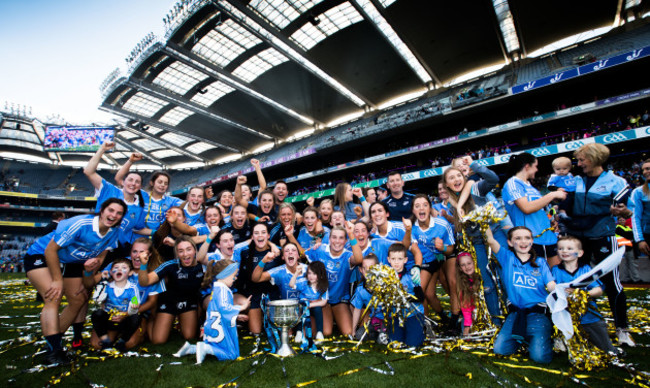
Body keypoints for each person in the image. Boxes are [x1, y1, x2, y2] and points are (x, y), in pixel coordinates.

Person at [24, 198, 127, 364]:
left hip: (71, 262)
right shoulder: (80, 223)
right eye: (111, 210)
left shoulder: (113, 232)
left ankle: (54, 342)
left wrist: (91, 269)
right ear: (102, 210)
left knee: (79, 299)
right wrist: (57, 280)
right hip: (42, 255)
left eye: (119, 213)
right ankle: (53, 352)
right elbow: (51, 250)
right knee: (53, 296)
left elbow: (101, 256)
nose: (113, 215)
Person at [560, 143, 634, 346]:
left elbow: (628, 210)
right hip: (577, 237)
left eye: (582, 159)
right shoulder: (575, 180)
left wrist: (624, 212)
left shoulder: (616, 181)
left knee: (612, 281)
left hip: (603, 235)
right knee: (574, 280)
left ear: (594, 159)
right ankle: (575, 325)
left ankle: (622, 329)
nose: (579, 163)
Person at [486, 227, 556, 364]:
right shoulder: (507, 257)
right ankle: (524, 337)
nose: (523, 242)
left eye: (527, 238)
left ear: (532, 241)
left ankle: (543, 336)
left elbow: (551, 285)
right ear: (510, 242)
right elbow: (490, 239)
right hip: (516, 314)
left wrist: (562, 291)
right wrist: (483, 218)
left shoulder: (541, 262)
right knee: (500, 349)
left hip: (537, 315)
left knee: (539, 358)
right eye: (518, 238)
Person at [173, 259, 251, 363]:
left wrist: (236, 316)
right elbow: (224, 308)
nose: (235, 278)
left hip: (215, 325)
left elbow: (217, 310)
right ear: (225, 274)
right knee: (231, 355)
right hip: (220, 329)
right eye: (234, 275)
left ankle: (190, 348)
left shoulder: (217, 289)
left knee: (217, 347)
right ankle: (204, 348)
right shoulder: (223, 290)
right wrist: (241, 307)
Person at [552, 236, 619, 354]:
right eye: (561, 248)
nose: (565, 251)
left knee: (606, 348)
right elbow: (551, 291)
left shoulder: (587, 270)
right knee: (578, 351)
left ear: (580, 253)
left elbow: (598, 290)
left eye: (569, 248)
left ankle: (611, 350)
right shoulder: (555, 270)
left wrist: (580, 293)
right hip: (567, 315)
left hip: (589, 315)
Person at [83, 142, 150, 256]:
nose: (133, 184)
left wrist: (160, 232)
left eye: (137, 182)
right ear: (123, 182)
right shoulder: (109, 190)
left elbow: (137, 228)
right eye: (130, 180)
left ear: (140, 187)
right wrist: (102, 149)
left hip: (117, 250)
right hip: (94, 244)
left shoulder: (139, 207)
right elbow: (88, 171)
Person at [503, 153, 566, 267]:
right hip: (531, 240)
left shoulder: (529, 186)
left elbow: (538, 210)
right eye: (535, 166)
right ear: (527, 166)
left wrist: (549, 221)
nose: (537, 170)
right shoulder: (513, 183)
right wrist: (552, 195)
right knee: (539, 278)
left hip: (548, 238)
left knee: (556, 276)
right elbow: (526, 208)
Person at [138, 236, 204, 344]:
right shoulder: (170, 265)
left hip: (188, 302)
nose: (185, 254)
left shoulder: (201, 265)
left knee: (189, 336)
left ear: (195, 250)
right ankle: (151, 318)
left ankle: (181, 321)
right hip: (169, 302)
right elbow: (145, 282)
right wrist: (143, 265)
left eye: (188, 249)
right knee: (158, 341)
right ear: (177, 254)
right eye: (181, 251)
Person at [304, 223, 363, 336]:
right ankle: (316, 317)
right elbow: (303, 255)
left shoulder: (347, 255)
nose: (337, 241)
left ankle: (334, 317)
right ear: (329, 239)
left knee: (348, 332)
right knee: (326, 332)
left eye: (341, 238)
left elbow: (359, 259)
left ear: (346, 241)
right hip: (321, 299)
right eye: (334, 237)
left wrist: (351, 234)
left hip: (339, 300)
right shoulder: (320, 249)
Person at [411, 194, 454, 323]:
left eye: (425, 205)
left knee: (418, 292)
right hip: (420, 261)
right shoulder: (411, 227)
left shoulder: (442, 224)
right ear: (413, 210)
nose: (421, 208)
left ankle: (423, 324)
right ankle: (445, 320)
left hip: (435, 259)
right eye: (417, 206)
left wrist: (443, 248)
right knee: (429, 294)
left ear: (430, 208)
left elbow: (451, 249)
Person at [234, 223, 283, 334]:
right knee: (255, 331)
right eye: (256, 233)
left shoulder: (277, 253)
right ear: (252, 236)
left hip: (273, 294)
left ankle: (266, 316)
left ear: (268, 235)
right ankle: (251, 315)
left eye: (263, 232)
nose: (260, 235)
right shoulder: (245, 253)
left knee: (278, 331)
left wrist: (272, 245)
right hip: (253, 295)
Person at [88, 258, 140, 352]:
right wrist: (103, 281)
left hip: (123, 318)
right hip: (109, 318)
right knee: (97, 314)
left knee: (135, 318)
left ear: (130, 273)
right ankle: (105, 340)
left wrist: (127, 313)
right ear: (111, 272)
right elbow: (97, 299)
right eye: (116, 268)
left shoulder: (132, 288)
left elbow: (135, 304)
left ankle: (122, 341)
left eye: (124, 267)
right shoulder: (108, 286)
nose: (119, 270)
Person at [385, 243, 425, 347]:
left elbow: (421, 297)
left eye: (399, 259)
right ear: (388, 259)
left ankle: (422, 328)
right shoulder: (385, 278)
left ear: (405, 260)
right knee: (394, 344)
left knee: (412, 344)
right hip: (395, 315)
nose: (396, 262)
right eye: (393, 259)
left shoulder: (412, 276)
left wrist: (405, 298)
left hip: (413, 314)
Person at [351, 254, 388, 344]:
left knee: (381, 341)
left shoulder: (385, 284)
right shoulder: (360, 290)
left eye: (371, 267)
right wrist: (353, 330)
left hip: (389, 320)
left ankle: (386, 333)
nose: (368, 270)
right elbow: (357, 310)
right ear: (361, 270)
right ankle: (379, 333)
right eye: (365, 268)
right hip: (375, 320)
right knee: (359, 335)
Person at [289, 261, 329, 341]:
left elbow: (324, 302)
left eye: (314, 274)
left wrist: (310, 305)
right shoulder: (304, 283)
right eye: (309, 273)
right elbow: (291, 284)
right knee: (301, 309)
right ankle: (299, 332)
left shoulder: (323, 286)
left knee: (318, 309)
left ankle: (319, 332)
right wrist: (296, 272)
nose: (311, 276)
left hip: (313, 307)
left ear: (321, 275)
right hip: (303, 308)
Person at [456, 252, 478, 336]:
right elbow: (466, 307)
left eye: (469, 263)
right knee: (468, 337)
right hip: (470, 316)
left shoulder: (483, 278)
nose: (467, 267)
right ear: (460, 268)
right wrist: (467, 326)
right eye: (463, 265)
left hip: (484, 314)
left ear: (474, 262)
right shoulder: (462, 283)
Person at [631, 159, 650, 259]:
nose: (645, 172)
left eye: (648, 168)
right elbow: (635, 217)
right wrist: (640, 240)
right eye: (643, 170)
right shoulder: (638, 192)